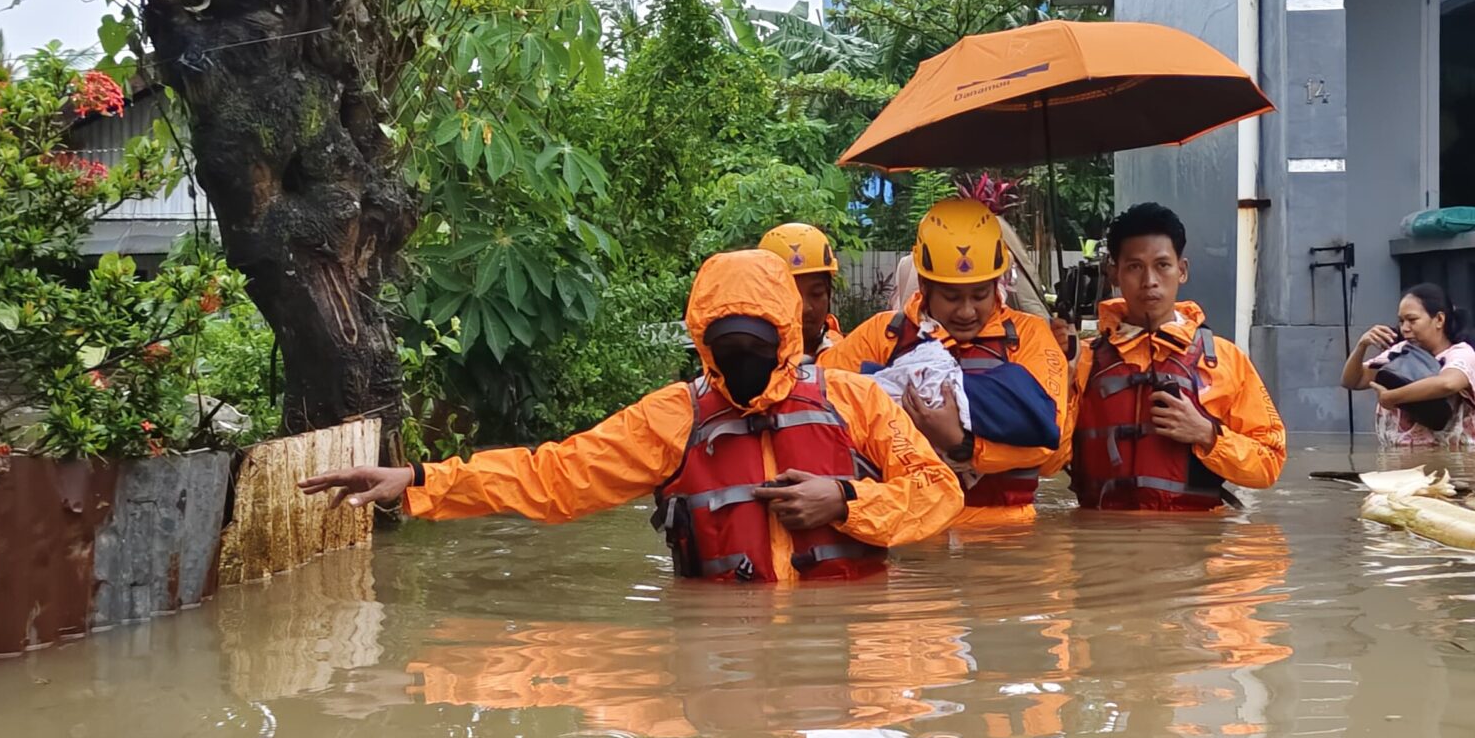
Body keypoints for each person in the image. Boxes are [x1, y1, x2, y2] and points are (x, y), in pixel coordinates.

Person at [299, 250, 963, 582]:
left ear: (787, 337)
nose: (744, 363)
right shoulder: (674, 418)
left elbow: (939, 492)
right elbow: (555, 477)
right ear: (704, 344)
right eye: (728, 348)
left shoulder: (853, 400)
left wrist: (844, 499)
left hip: (843, 644)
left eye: (758, 346)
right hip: (720, 652)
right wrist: (419, 480)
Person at [818, 196, 1069, 518]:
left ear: (997, 283)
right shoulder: (882, 335)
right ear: (924, 285)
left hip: (1008, 533)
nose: (966, 311)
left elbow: (1051, 451)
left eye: (980, 295)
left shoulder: (1030, 336)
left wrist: (962, 443)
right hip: (910, 526)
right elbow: (817, 406)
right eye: (951, 297)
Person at [1067, 203, 1287, 510]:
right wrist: (1060, 377)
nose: (1149, 281)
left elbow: (1269, 464)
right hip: (1102, 535)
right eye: (1134, 267)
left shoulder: (1225, 360)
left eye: (1162, 265)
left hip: (1195, 537)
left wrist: (1208, 435)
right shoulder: (1082, 361)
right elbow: (1048, 460)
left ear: (1182, 270)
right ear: (1114, 274)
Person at [1339, 282, 1475, 448]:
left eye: (1412, 320)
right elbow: (1353, 381)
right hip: (1397, 456)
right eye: (1401, 321)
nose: (1404, 328)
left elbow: (1447, 384)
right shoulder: (1400, 352)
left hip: (1450, 457)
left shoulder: (1461, 354)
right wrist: (1362, 346)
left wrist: (1392, 397)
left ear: (1439, 319)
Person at [757, 221, 842, 359]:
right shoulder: (746, 363)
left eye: (816, 294)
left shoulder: (849, 355)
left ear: (828, 294)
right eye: (790, 295)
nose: (805, 308)